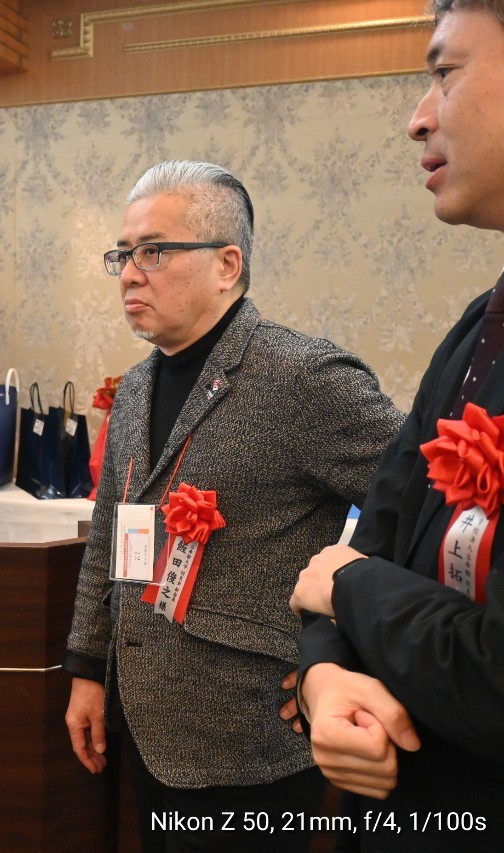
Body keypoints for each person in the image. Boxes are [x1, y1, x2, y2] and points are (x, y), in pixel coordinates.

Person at [63, 160, 404, 852]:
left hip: (253, 742)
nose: (129, 274)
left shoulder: (304, 379)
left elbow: (423, 508)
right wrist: (86, 670)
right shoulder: (135, 388)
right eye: (123, 255)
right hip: (149, 726)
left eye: (153, 252)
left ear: (227, 264)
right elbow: (108, 535)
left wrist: (344, 651)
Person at [291, 3, 504, 849]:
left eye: (445, 72)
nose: (418, 117)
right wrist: (324, 678)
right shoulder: (476, 328)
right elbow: (369, 535)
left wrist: (353, 589)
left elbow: (347, 574)